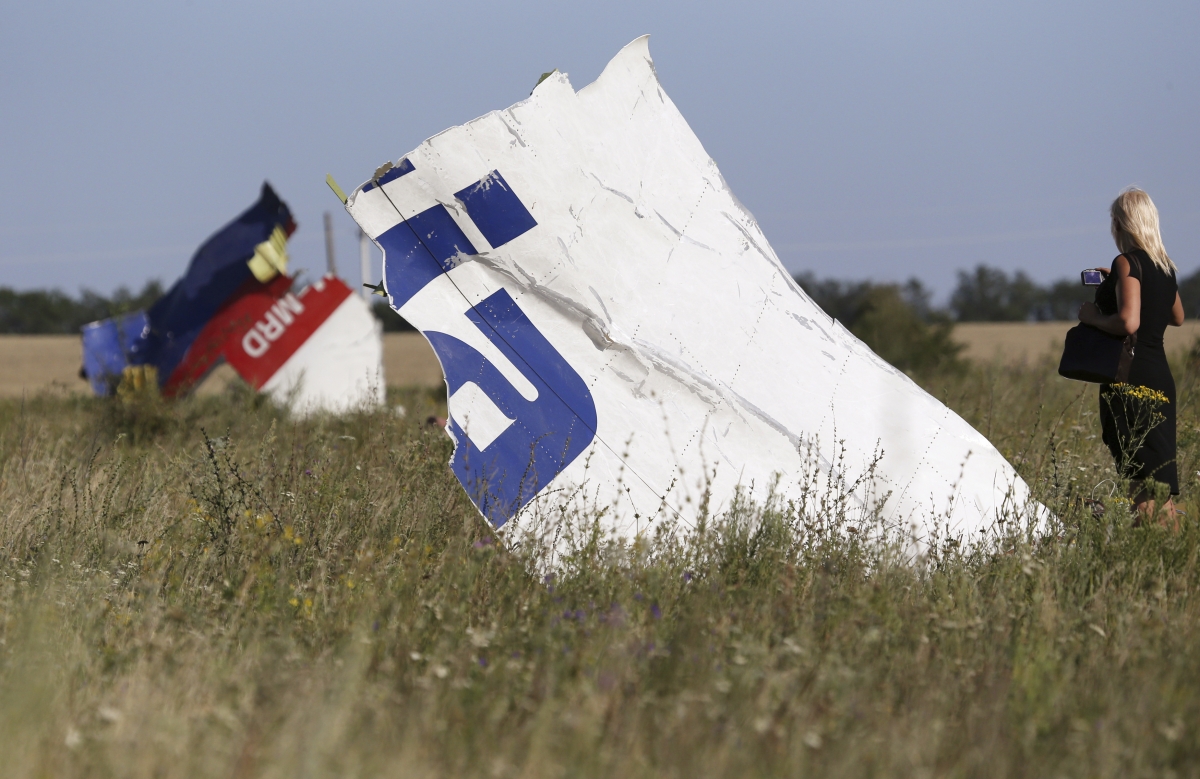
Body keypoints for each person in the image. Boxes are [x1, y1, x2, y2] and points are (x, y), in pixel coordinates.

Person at [1078, 188, 1184, 525]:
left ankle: (1110, 523)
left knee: (1140, 481)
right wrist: (1125, 286)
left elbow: (1128, 321)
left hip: (1129, 378)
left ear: (1120, 224)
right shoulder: (1164, 265)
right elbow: (1177, 316)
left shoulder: (1127, 262)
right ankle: (1166, 558)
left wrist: (1092, 316)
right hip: (1160, 378)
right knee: (1159, 485)